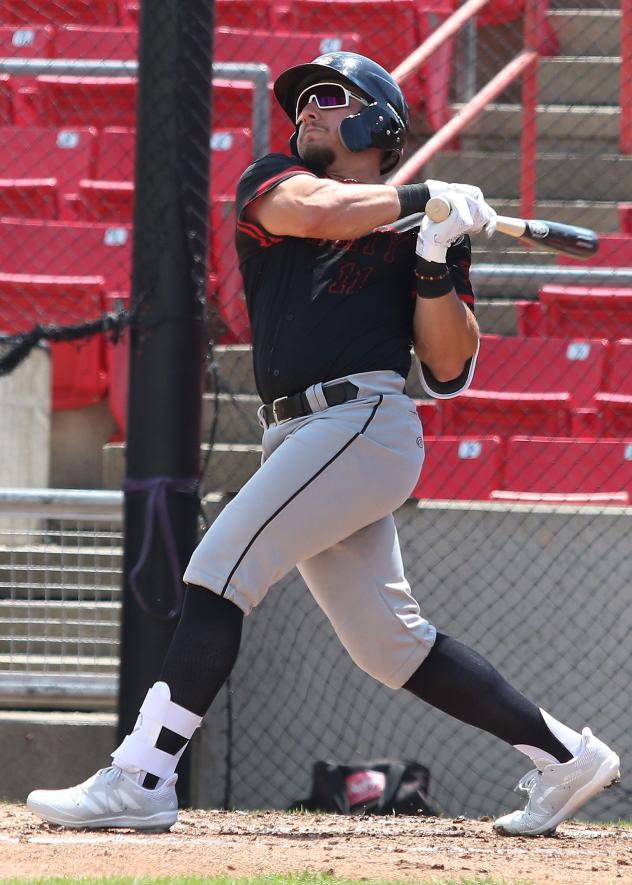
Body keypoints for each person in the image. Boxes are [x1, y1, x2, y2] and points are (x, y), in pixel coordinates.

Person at [26, 51, 619, 836]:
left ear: (380, 121)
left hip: (363, 423)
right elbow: (316, 213)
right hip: (297, 434)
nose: (306, 109)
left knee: (219, 568)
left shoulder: (426, 224)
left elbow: (448, 366)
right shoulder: (275, 180)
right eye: (302, 100)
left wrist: (437, 254)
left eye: (330, 97)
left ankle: (142, 774)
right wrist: (417, 197)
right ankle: (567, 755)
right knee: (389, 645)